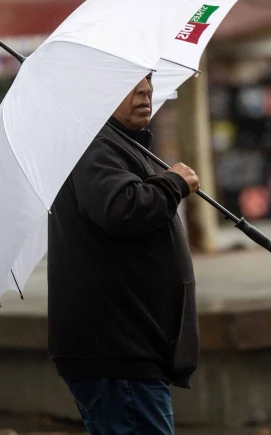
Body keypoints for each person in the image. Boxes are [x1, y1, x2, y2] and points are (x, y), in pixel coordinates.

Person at [48, 73, 200, 435]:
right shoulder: (96, 145)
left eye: (148, 77)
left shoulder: (117, 145)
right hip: (119, 355)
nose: (145, 88)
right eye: (130, 80)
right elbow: (120, 207)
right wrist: (172, 183)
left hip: (129, 352)